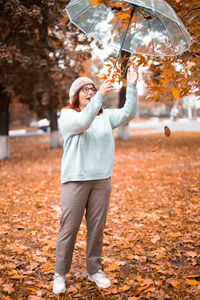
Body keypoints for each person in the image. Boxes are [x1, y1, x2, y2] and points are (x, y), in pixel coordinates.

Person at [53, 66, 139, 294]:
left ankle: (94, 270)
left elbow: (129, 112)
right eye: (85, 90)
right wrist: (100, 94)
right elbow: (83, 122)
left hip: (101, 180)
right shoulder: (69, 115)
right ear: (76, 96)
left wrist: (131, 84)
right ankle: (60, 274)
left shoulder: (106, 116)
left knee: (96, 229)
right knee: (68, 229)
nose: (91, 92)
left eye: (93, 88)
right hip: (75, 181)